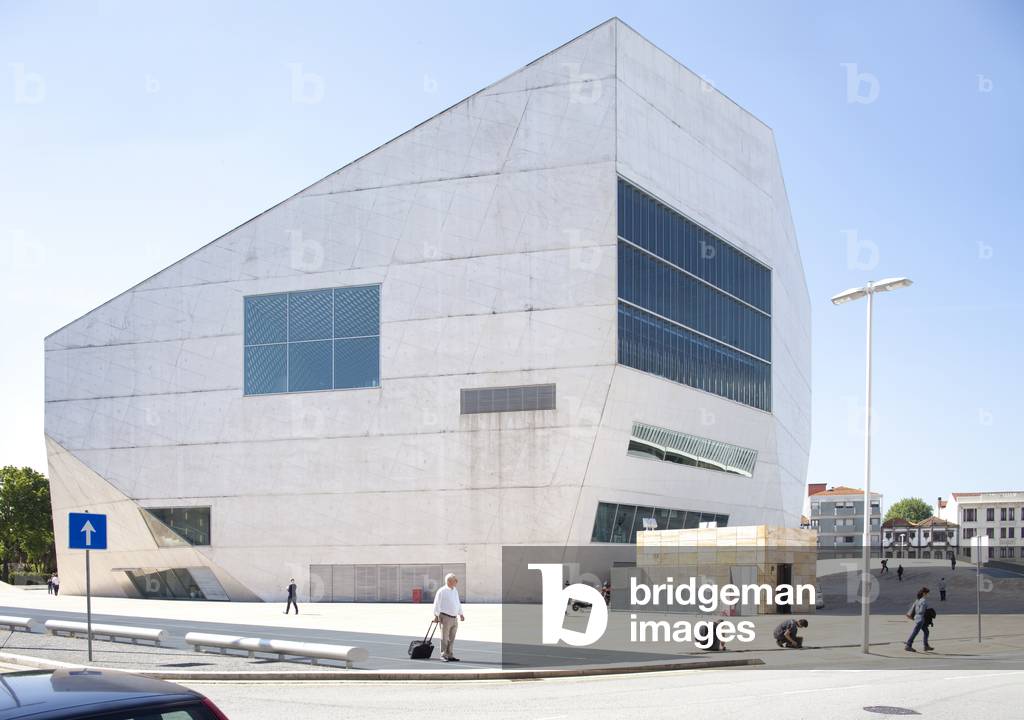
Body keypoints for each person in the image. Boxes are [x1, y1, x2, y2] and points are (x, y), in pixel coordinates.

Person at [432, 573, 465, 662]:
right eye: (455, 580)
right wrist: (436, 615)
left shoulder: (455, 590)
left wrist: (461, 614)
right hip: (445, 617)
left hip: (454, 618)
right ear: (449, 581)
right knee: (444, 637)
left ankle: (450, 654)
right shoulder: (442, 591)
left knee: (452, 637)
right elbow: (436, 604)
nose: (457, 581)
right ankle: (443, 655)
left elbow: (457, 602)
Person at [905, 587, 934, 652]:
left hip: (917, 618)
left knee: (926, 631)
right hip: (921, 619)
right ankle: (908, 645)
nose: (927, 595)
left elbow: (914, 609)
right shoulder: (923, 600)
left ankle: (926, 646)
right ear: (924, 593)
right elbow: (921, 611)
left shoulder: (917, 600)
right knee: (915, 632)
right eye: (927, 593)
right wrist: (928, 612)